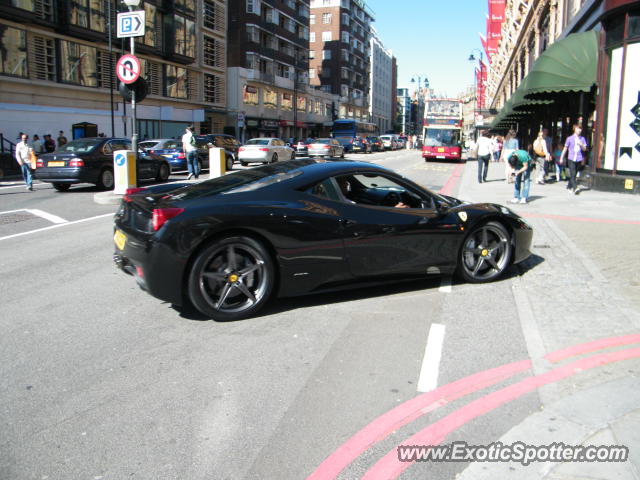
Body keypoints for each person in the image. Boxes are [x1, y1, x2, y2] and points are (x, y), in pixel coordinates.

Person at [559, 124, 588, 194]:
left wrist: (581, 145)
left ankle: (569, 186)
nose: (579, 130)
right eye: (578, 129)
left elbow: (585, 149)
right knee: (573, 173)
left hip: (579, 158)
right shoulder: (569, 138)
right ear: (574, 129)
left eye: (580, 129)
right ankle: (575, 188)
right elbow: (565, 148)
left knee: (574, 175)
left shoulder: (582, 139)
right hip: (571, 158)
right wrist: (561, 157)